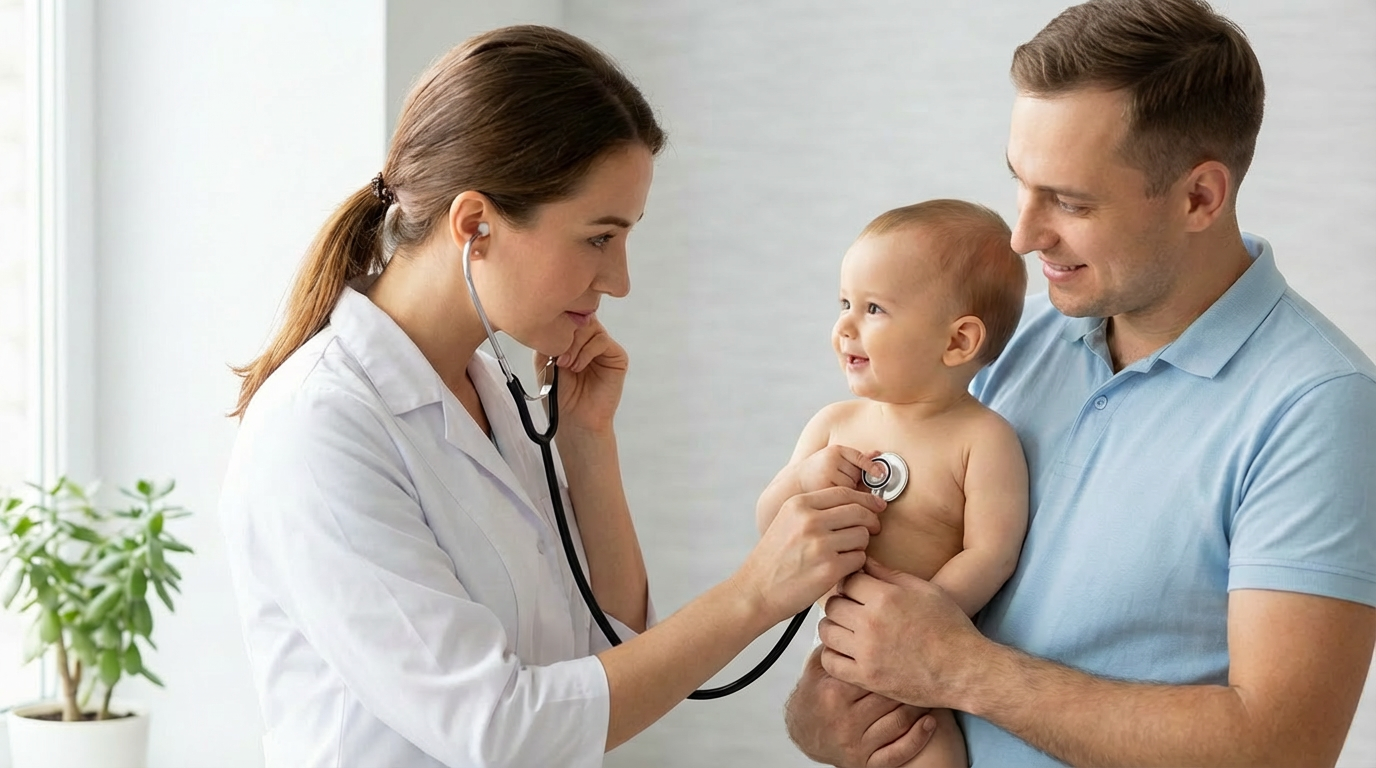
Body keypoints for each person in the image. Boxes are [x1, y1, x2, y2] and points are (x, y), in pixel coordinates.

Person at [217, 25, 886, 768]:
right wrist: (755, 593)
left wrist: (588, 445)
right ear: (475, 225)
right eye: (599, 238)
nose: (619, 280)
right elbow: (502, 729)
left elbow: (609, 653)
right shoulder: (319, 428)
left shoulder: (488, 390)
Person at [782, 1, 1376, 766]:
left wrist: (960, 670)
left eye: (1070, 202)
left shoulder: (1320, 408)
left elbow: (1282, 748)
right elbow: (896, 624)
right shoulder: (1005, 343)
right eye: (1022, 185)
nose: (1024, 236)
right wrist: (819, 717)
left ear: (1200, 197)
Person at [755, 199, 1030, 767]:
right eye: (844, 304)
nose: (844, 327)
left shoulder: (983, 439)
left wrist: (923, 621)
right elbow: (770, 527)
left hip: (920, 664)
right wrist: (803, 480)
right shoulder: (833, 425)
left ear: (957, 342)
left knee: (928, 751)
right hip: (838, 652)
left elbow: (991, 553)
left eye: (874, 308)